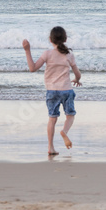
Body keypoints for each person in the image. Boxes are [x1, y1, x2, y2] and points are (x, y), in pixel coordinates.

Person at [22, 26, 82, 156]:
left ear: (50, 39)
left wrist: (27, 50)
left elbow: (32, 68)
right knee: (70, 115)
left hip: (52, 91)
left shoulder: (47, 54)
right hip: (66, 90)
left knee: (52, 119)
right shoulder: (69, 55)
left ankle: (51, 147)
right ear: (65, 39)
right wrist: (76, 79)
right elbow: (77, 73)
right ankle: (64, 132)